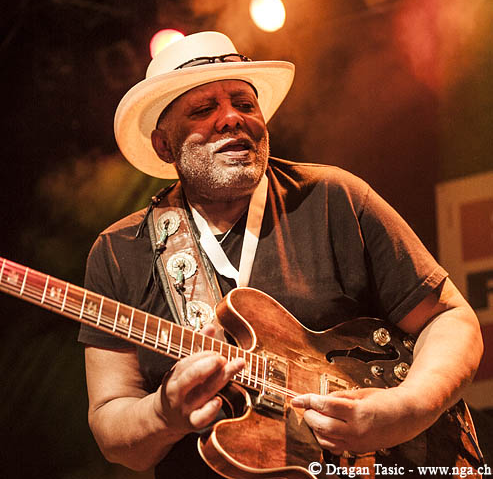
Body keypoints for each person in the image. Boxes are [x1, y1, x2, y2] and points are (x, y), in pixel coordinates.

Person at [78, 31, 483, 477]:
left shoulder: (334, 198)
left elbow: (450, 318)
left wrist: (406, 409)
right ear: (164, 145)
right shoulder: (120, 251)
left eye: (244, 104)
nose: (231, 118)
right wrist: (162, 414)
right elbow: (114, 430)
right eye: (203, 109)